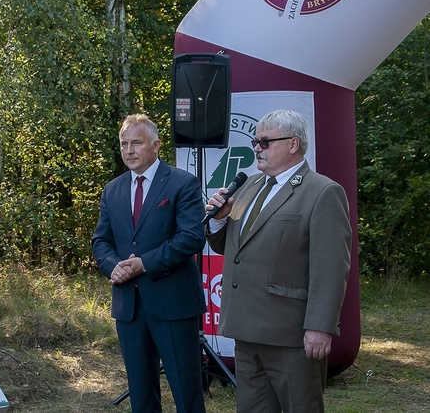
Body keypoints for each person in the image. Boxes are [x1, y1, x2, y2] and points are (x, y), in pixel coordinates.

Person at [204, 109, 352, 412]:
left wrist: (320, 327)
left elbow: (331, 268)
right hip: (246, 329)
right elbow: (230, 247)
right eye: (256, 141)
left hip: (290, 335)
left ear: (293, 144)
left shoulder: (322, 192)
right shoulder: (248, 185)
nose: (257, 147)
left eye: (265, 141)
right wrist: (218, 220)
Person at [92, 114, 207, 412]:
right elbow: (101, 241)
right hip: (129, 308)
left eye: (137, 143)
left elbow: (192, 238)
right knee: (141, 397)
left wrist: (145, 263)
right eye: (124, 144)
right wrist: (112, 265)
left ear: (156, 145)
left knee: (186, 392)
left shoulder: (183, 183)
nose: (129, 150)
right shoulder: (112, 190)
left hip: (173, 304)